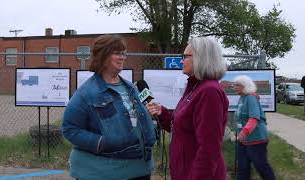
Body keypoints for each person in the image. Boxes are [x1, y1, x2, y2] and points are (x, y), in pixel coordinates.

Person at [62, 35, 156, 180]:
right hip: (104, 173)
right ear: (103, 55)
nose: (122, 57)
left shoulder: (131, 88)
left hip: (140, 171)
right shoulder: (87, 93)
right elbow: (70, 129)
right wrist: (101, 143)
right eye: (117, 53)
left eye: (124, 53)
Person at [146, 37, 229, 180]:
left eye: (185, 56)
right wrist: (163, 113)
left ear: (201, 58)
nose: (181, 61)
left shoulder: (209, 91)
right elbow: (184, 127)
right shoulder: (195, 87)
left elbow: (209, 148)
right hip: (184, 171)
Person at [233, 75, 276, 180]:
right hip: (242, 140)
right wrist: (237, 133)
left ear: (244, 86)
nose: (234, 87)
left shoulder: (251, 97)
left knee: (261, 166)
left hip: (256, 139)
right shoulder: (242, 98)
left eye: (237, 85)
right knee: (242, 168)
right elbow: (240, 118)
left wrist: (244, 132)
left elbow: (254, 118)